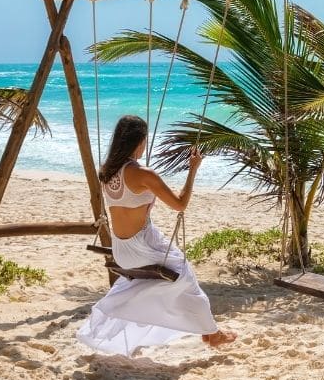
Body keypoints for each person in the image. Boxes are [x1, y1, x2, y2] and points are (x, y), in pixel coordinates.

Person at [76, 115, 237, 356]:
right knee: (184, 277)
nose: (145, 145)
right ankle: (211, 334)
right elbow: (180, 204)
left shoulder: (107, 171)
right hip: (143, 247)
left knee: (158, 283)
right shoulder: (143, 173)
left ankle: (206, 329)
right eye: (145, 140)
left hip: (122, 250)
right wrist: (193, 170)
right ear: (139, 141)